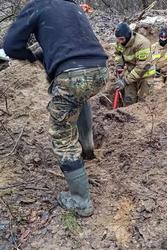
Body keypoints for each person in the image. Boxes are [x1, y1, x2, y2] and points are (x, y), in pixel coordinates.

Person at [3, 0, 108, 217]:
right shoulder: (74, 8)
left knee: (62, 133)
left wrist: (32, 55)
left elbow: (11, 45)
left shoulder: (38, 6)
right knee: (79, 100)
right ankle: (87, 150)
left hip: (72, 74)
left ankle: (80, 200)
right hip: (100, 69)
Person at [114, 22, 155, 106]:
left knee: (144, 103)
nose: (119, 42)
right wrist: (119, 65)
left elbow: (142, 67)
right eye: (118, 39)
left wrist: (125, 81)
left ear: (128, 36)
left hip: (145, 75)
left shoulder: (142, 43)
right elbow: (118, 54)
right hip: (130, 72)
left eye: (121, 39)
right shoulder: (119, 41)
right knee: (129, 100)